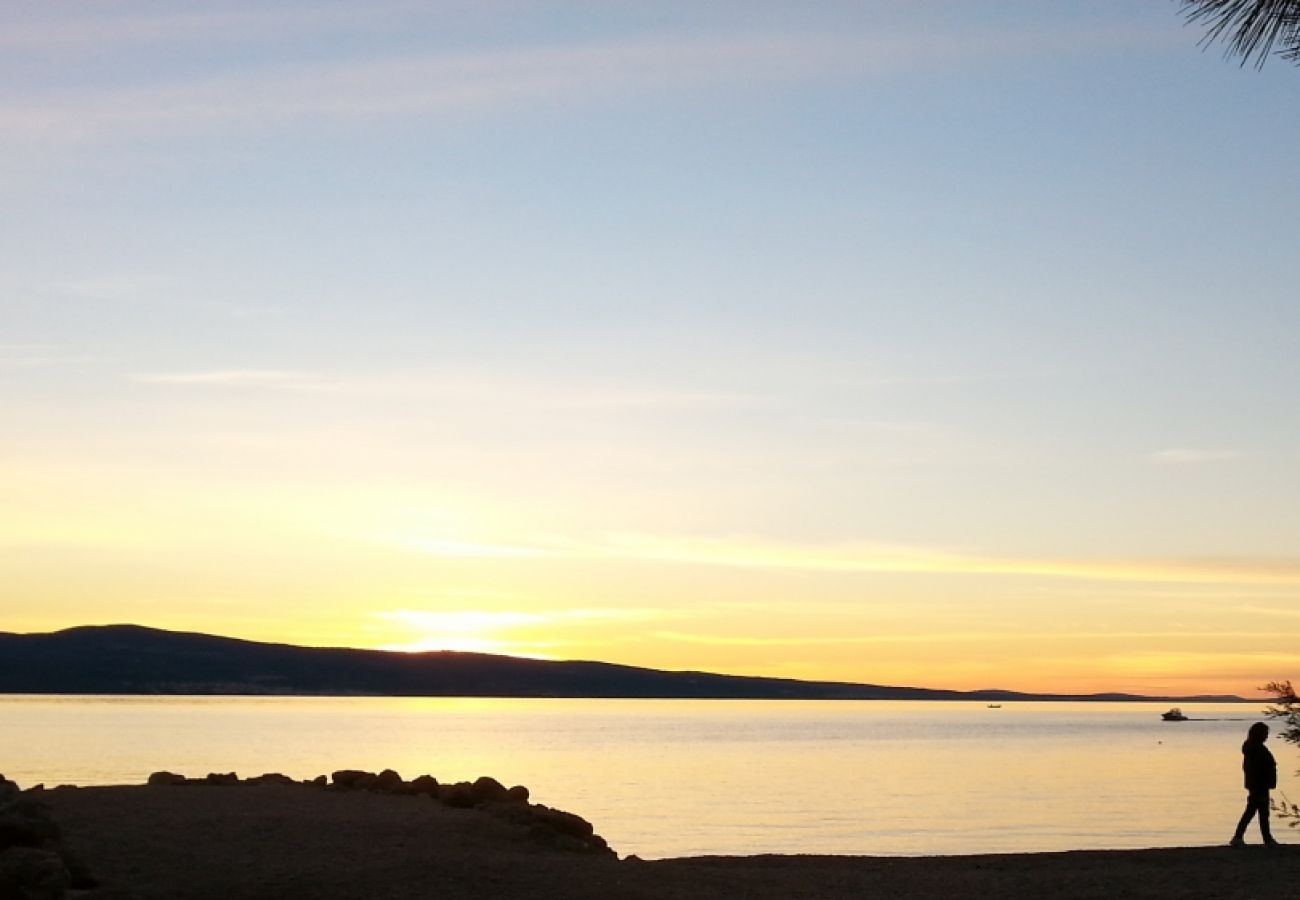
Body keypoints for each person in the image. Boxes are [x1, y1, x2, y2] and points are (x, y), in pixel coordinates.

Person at [1231, 721, 1279, 846]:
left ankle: (1265, 838)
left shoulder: (1254, 748)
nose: (1267, 736)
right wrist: (1263, 781)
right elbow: (1256, 768)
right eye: (1265, 733)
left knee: (1257, 812)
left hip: (1259, 784)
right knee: (1255, 812)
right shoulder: (1256, 749)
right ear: (1259, 734)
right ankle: (1240, 837)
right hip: (1259, 785)